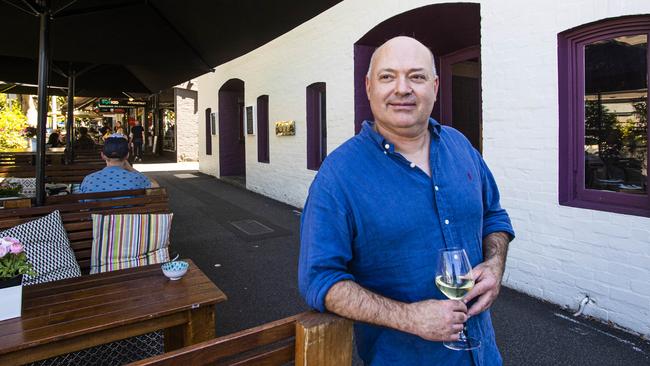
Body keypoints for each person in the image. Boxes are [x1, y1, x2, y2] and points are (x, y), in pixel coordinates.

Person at [298, 36, 515, 365]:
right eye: (387, 76)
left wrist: (495, 264)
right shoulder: (339, 176)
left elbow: (494, 217)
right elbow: (321, 280)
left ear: (435, 86)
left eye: (417, 76)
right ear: (369, 86)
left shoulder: (460, 146)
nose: (402, 88)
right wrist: (409, 318)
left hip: (486, 355)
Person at [79, 135, 151, 193]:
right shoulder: (138, 179)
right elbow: (155, 188)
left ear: (103, 156)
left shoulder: (89, 180)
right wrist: (131, 169)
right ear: (127, 155)